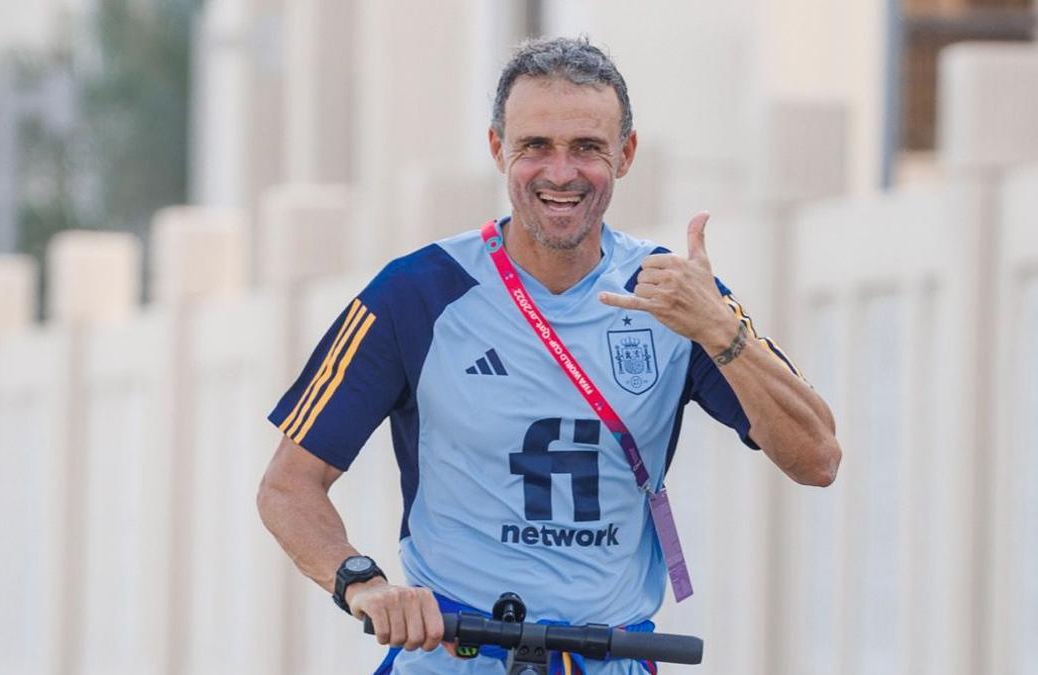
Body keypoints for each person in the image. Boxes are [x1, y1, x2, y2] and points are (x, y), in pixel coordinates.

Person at [257, 36, 841, 675]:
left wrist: (719, 331)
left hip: (612, 655)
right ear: (497, 148)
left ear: (625, 154)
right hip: (456, 653)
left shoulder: (676, 294)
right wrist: (362, 582)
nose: (560, 172)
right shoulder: (415, 292)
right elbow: (289, 485)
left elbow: (816, 458)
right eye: (535, 145)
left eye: (587, 147)